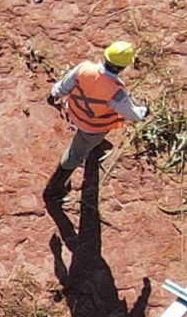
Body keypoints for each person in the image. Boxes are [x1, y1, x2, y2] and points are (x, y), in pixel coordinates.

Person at [42, 39, 147, 203]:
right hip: (93, 127)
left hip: (75, 113)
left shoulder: (84, 68)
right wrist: (144, 112)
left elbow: (64, 85)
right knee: (75, 155)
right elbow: (131, 115)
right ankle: (54, 188)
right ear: (123, 67)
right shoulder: (116, 90)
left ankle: (94, 146)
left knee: (88, 142)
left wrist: (54, 94)